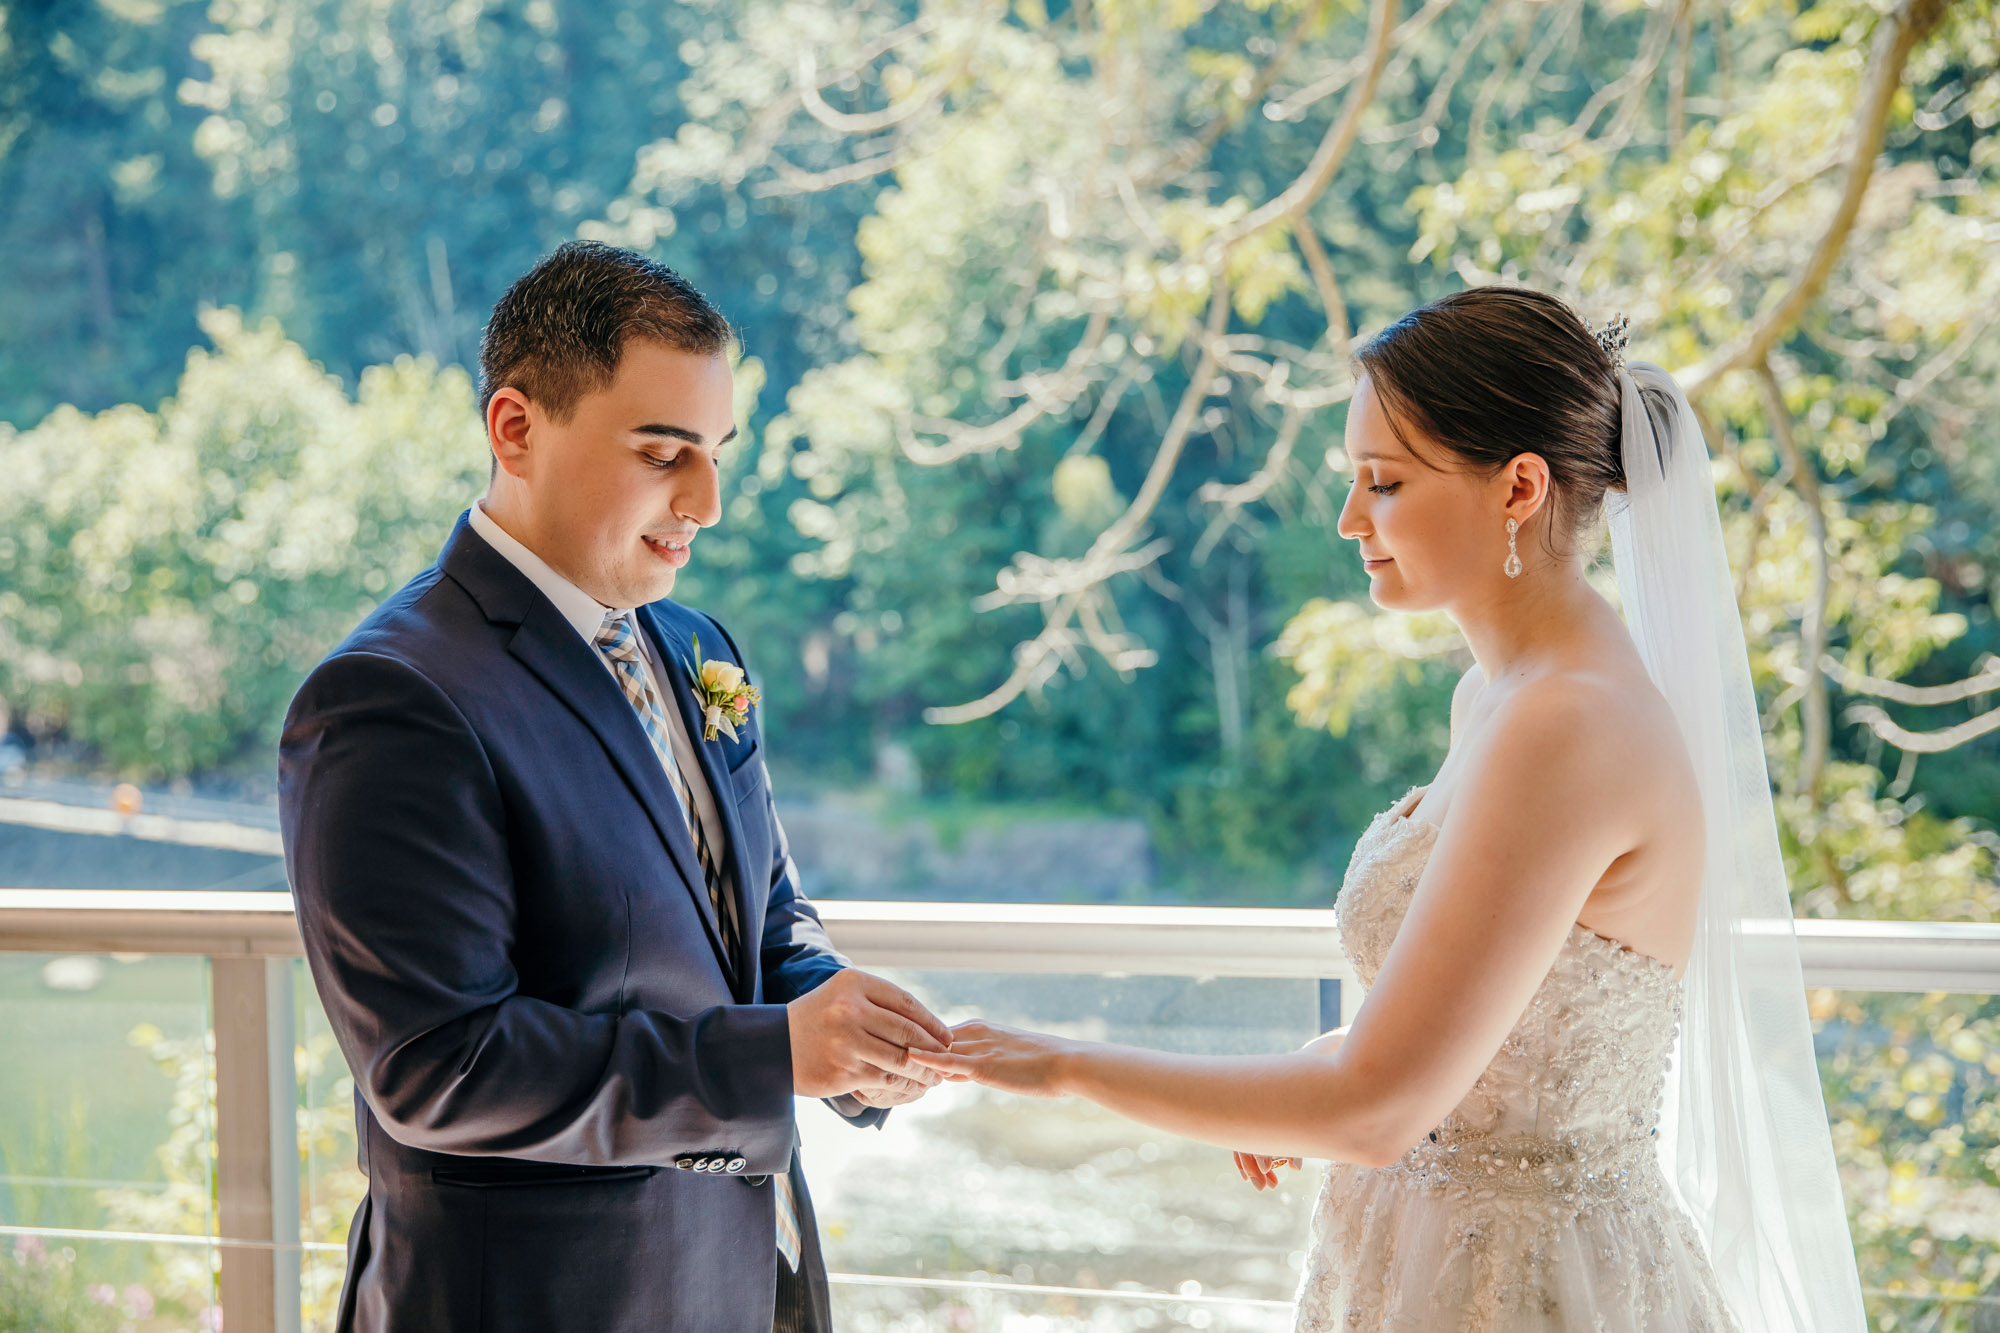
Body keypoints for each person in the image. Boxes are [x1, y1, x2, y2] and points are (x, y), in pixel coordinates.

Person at [910, 288, 1868, 1331]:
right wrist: (1291, 1083)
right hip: (1415, 1247)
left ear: (1517, 488)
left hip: (1522, 1282)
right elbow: (1472, 1037)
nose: (1348, 519)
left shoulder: (1568, 727)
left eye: (1384, 482)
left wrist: (1065, 1066)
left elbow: (1376, 1107)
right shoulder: (1496, 699)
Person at [279, 240, 952, 1333]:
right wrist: (772, 1052)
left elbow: (757, 914)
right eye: (662, 451)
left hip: (732, 1284)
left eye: (718, 451)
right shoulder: (389, 696)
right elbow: (439, 1066)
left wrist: (839, 1023)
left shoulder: (695, 647)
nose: (708, 500)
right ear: (515, 428)